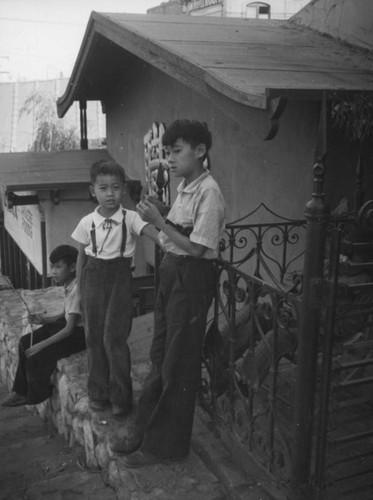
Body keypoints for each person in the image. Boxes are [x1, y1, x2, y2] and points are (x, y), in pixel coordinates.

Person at [110, 119, 226, 467]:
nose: (170, 160)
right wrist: (156, 219)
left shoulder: (209, 192)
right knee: (159, 354)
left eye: (177, 152)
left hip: (191, 277)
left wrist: (161, 223)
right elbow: (172, 240)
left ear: (200, 151)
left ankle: (166, 447)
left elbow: (196, 248)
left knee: (178, 363)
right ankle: (143, 428)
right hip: (172, 273)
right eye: (168, 153)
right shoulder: (186, 188)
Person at [71, 159, 158, 417]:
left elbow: (156, 235)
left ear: (123, 189)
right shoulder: (87, 222)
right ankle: (98, 394)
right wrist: (79, 294)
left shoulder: (130, 218)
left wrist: (172, 233)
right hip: (92, 281)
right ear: (93, 191)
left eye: (116, 187)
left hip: (120, 280)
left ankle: (121, 397)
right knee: (94, 338)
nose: (110, 194)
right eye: (104, 188)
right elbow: (81, 259)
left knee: (114, 339)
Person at [1, 245, 86, 407]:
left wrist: (41, 345)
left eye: (58, 267)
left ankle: (38, 394)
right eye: (52, 266)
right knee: (25, 342)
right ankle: (19, 391)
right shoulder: (68, 285)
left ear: (74, 267)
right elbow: (64, 313)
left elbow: (69, 329)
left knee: (37, 357)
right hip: (68, 325)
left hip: (77, 335)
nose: (53, 271)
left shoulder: (77, 290)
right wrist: (44, 320)